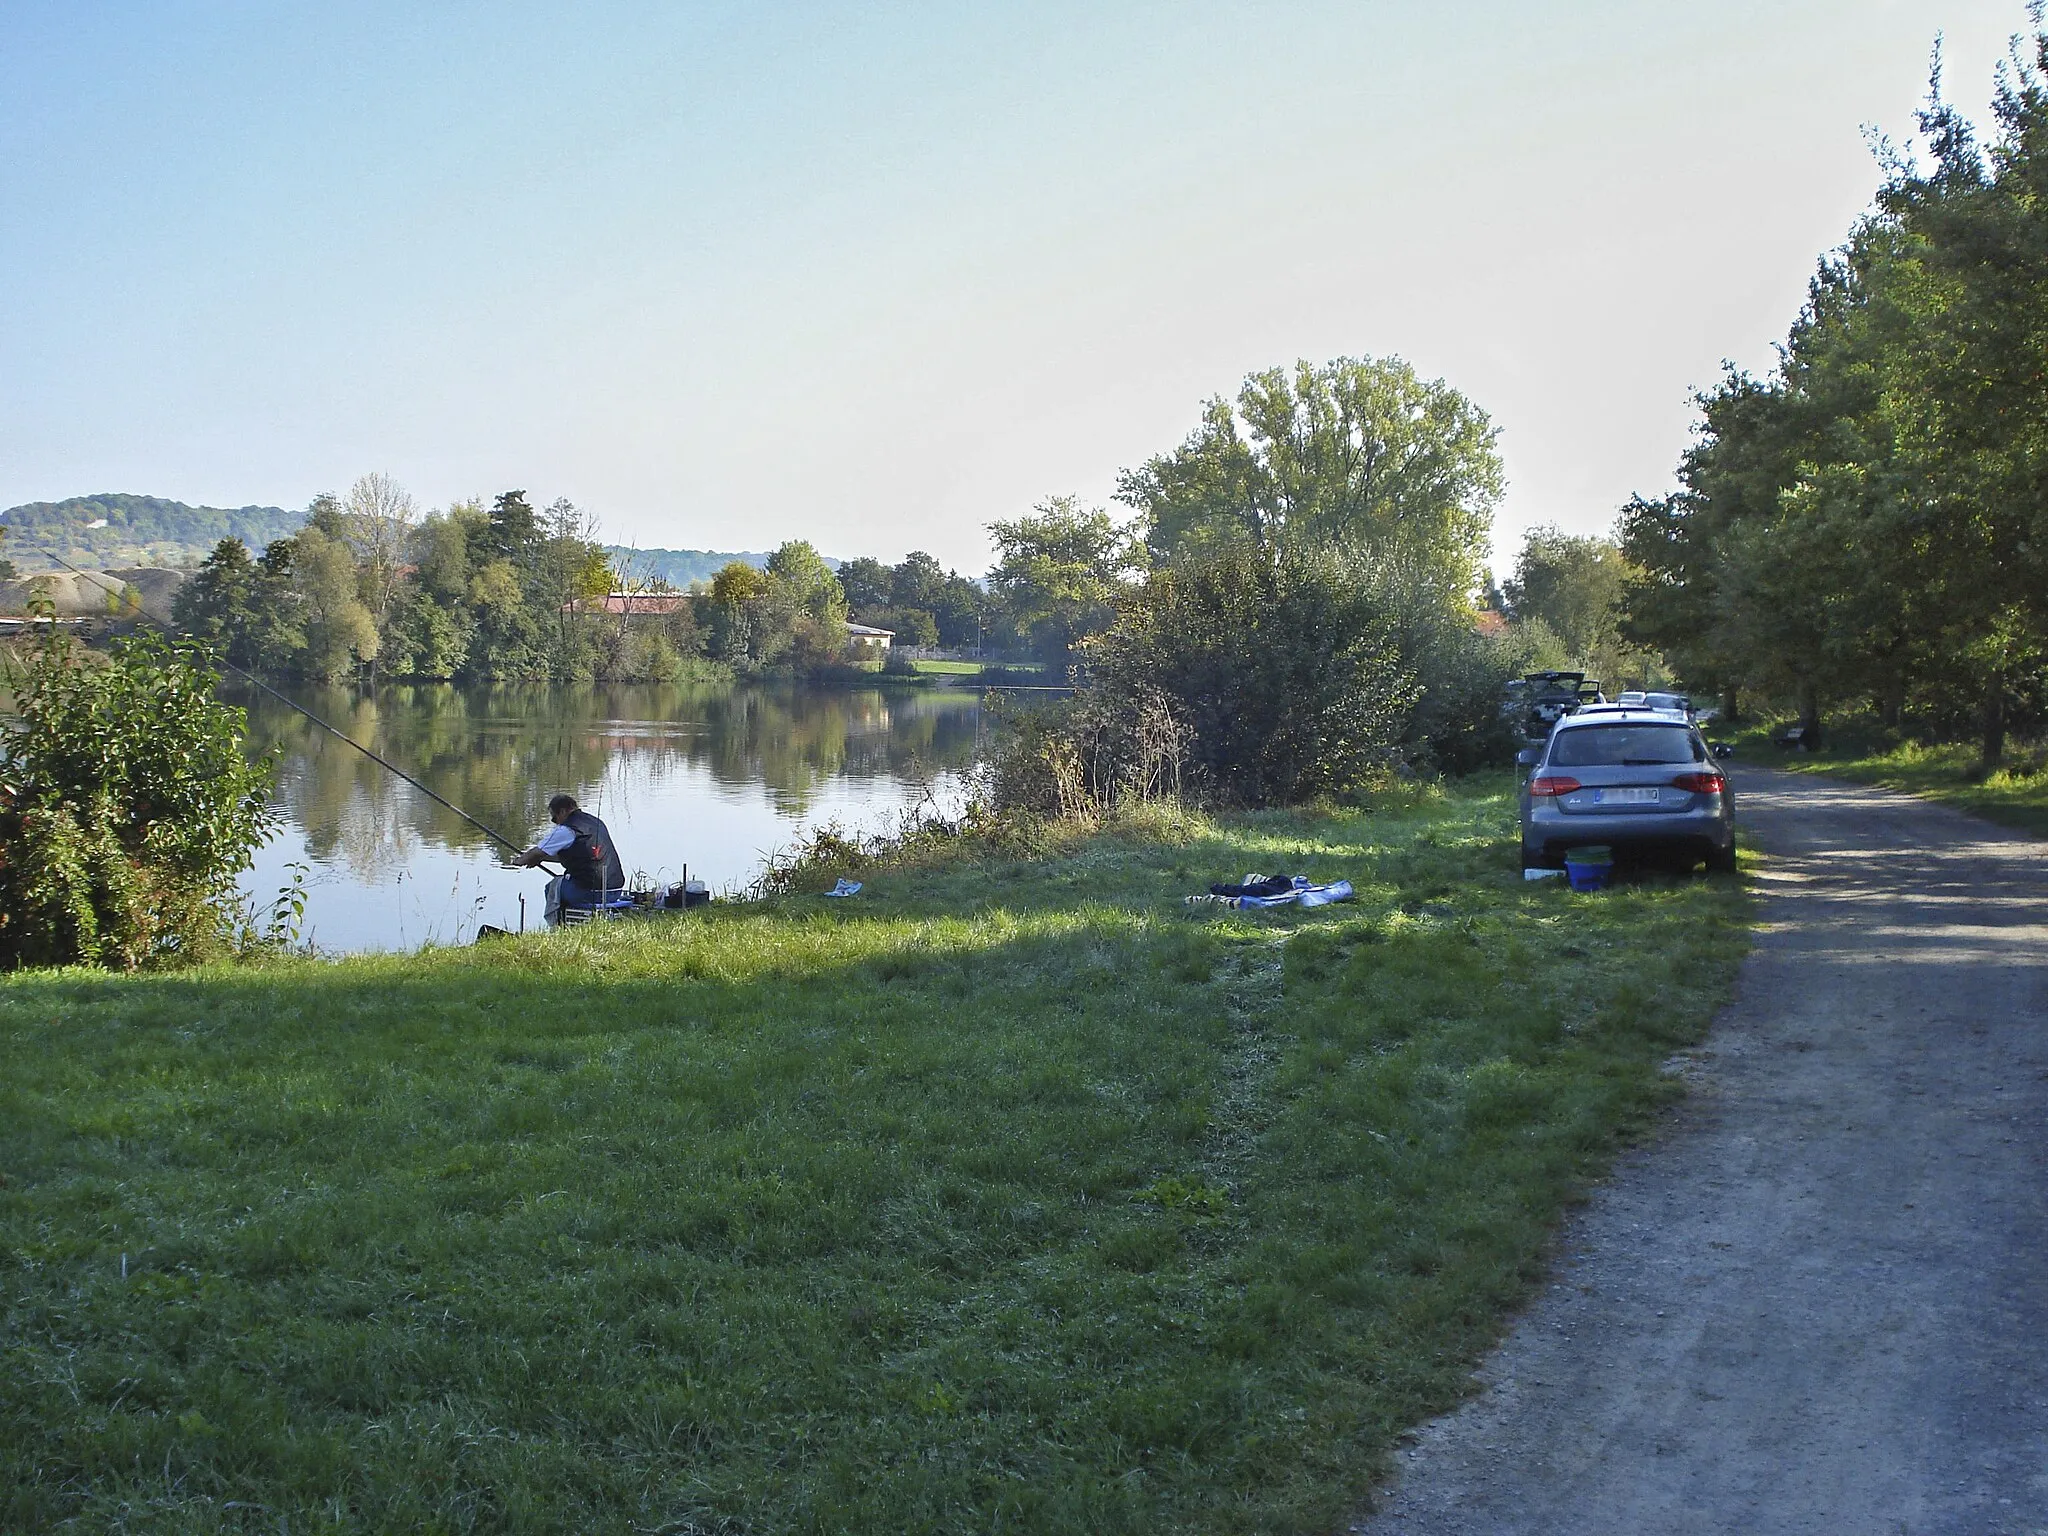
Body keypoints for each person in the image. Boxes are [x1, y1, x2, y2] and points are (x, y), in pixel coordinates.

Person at [517, 793, 626, 922]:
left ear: (562, 811)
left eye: (554, 818)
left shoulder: (567, 829)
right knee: (564, 883)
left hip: (591, 893)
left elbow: (537, 851)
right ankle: (577, 922)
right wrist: (539, 859)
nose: (555, 823)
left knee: (552, 888)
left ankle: (558, 928)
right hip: (615, 889)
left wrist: (519, 860)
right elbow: (574, 856)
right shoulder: (595, 822)